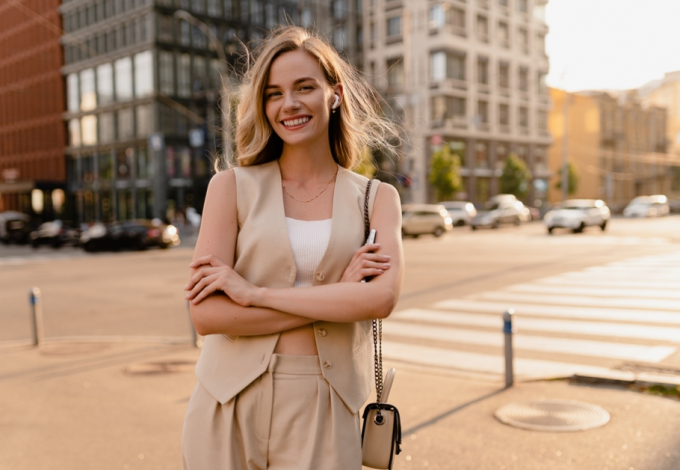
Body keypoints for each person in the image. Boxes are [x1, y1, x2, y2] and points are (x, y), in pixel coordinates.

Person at [182, 26, 404, 470]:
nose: (290, 104)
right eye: (273, 93)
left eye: (305, 87)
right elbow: (207, 316)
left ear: (335, 94)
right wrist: (340, 295)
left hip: (326, 402)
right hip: (227, 401)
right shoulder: (229, 188)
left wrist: (254, 295)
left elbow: (379, 299)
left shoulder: (376, 198)